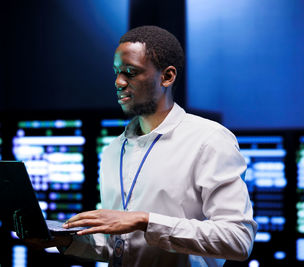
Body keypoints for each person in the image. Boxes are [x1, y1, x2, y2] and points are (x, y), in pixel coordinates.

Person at [25, 25, 257, 267]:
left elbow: (238, 240)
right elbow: (120, 245)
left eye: (130, 72)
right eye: (116, 72)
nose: (118, 82)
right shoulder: (114, 150)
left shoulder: (209, 139)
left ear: (167, 76)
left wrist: (145, 221)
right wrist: (63, 240)